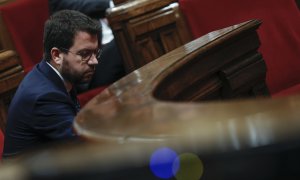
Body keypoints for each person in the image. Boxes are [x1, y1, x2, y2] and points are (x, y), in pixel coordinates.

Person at [3, 10, 102, 158]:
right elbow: (85, 147)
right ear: (56, 56)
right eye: (85, 54)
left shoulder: (52, 74)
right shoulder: (44, 97)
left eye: (95, 53)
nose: (95, 61)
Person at [49, 0, 126, 91]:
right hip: (92, 64)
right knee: (125, 39)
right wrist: (113, 3)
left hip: (116, 43)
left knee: (128, 36)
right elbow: (74, 6)